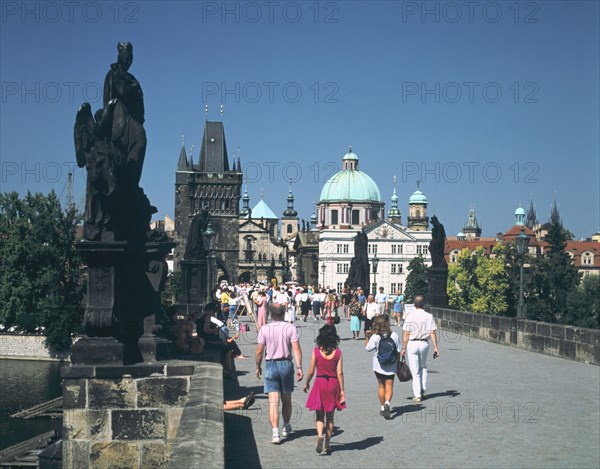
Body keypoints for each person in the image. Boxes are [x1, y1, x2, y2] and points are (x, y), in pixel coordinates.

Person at [255, 304, 303, 444]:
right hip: (286, 365)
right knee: (286, 399)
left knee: (273, 402)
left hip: (270, 365)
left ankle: (275, 433)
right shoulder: (290, 328)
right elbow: (296, 349)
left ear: (270, 315)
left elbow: (259, 351)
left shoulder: (264, 329)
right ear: (283, 314)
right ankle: (286, 425)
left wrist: (257, 366)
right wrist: (299, 367)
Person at [304, 325, 346, 454]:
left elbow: (311, 370)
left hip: (320, 382)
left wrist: (307, 383)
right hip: (333, 384)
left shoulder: (316, 351)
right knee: (330, 417)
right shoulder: (338, 352)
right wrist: (342, 391)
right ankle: (327, 444)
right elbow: (340, 373)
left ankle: (320, 435)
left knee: (319, 415)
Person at [401, 295, 440, 402]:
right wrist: (436, 347)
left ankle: (417, 394)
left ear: (414, 304)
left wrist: (403, 348)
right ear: (424, 304)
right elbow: (432, 332)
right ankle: (423, 389)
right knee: (423, 367)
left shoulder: (409, 316)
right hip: (424, 344)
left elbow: (406, 334)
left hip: (412, 344)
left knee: (415, 371)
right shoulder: (429, 316)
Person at [366, 314, 401, 419]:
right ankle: (387, 403)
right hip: (391, 364)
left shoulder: (376, 336)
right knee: (389, 386)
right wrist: (398, 362)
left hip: (379, 365)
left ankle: (382, 408)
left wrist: (367, 337)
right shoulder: (394, 335)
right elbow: (398, 351)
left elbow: (368, 348)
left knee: (381, 386)